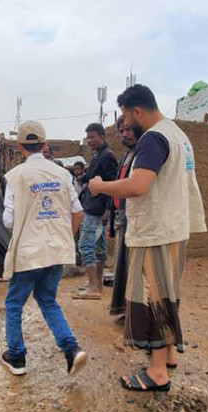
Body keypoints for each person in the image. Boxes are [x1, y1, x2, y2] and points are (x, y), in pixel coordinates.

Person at [89, 84, 207, 391]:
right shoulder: (177, 134)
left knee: (153, 298)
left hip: (156, 230)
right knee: (167, 294)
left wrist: (100, 186)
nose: (126, 123)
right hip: (174, 227)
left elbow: (138, 186)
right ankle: (168, 355)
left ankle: (156, 373)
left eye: (127, 117)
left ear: (137, 111)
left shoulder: (154, 139)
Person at [1, 121, 87, 376]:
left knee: (14, 304)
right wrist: (62, 238)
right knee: (48, 300)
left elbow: (8, 220)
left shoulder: (16, 176)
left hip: (29, 253)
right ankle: (71, 349)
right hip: (56, 250)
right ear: (45, 145)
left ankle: (16, 357)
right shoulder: (62, 174)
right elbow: (78, 212)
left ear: (19, 147)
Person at [74, 123, 118, 299]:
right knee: (99, 248)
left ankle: (93, 287)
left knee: (85, 245)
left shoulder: (107, 156)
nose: (89, 141)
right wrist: (83, 178)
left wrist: (109, 209)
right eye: (88, 138)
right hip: (94, 207)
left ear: (102, 136)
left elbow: (112, 184)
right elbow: (94, 175)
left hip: (98, 209)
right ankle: (97, 285)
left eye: (93, 137)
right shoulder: (98, 155)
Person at [109, 115, 138, 320]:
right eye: (121, 131)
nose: (125, 134)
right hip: (122, 216)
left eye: (128, 130)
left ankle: (132, 311)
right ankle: (124, 309)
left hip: (134, 218)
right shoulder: (127, 155)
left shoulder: (142, 156)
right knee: (122, 264)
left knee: (131, 266)